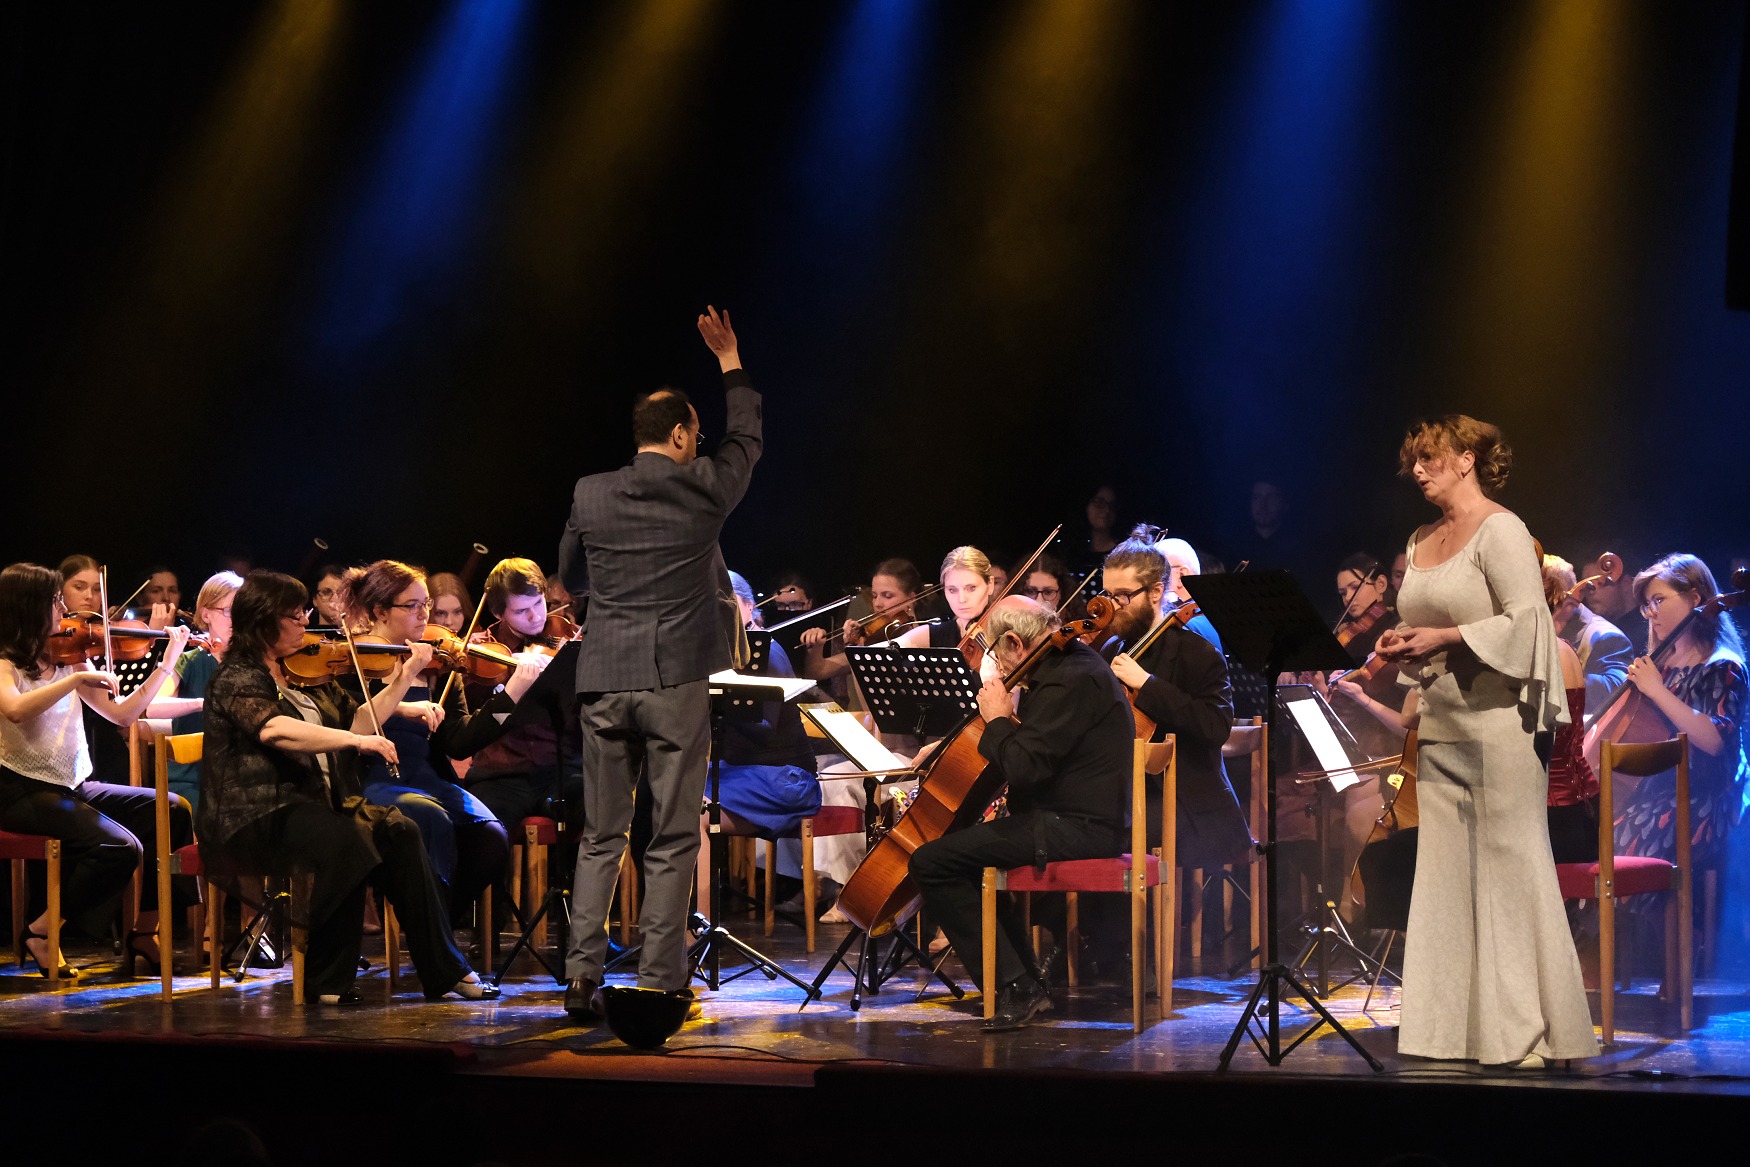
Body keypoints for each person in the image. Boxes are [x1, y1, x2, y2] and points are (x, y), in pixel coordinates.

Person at [556, 305, 758, 1021]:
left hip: (605, 676)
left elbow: (569, 578)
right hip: (674, 681)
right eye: (694, 434)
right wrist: (729, 362)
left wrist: (612, 600)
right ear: (679, 435)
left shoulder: (590, 491)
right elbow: (746, 440)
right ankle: (660, 979)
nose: (698, 443)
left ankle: (580, 978)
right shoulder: (702, 486)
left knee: (601, 834)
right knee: (671, 836)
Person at [1374, 414, 1596, 1068]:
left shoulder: (1502, 530)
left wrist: (1446, 637)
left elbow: (1528, 623)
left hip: (1500, 724)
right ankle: (1453, 1031)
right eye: (1414, 461)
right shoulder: (1420, 538)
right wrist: (1401, 641)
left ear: (1468, 457)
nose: (1419, 470)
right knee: (1445, 879)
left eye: (1431, 457)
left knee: (1508, 872)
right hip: (1442, 722)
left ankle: (1525, 1032)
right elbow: (1424, 617)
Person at [198, 570, 498, 1004]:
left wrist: (404, 678)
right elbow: (274, 730)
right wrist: (355, 742)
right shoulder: (236, 676)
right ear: (264, 620)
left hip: (312, 805)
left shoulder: (303, 673)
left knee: (400, 830)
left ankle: (444, 971)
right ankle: (327, 981)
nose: (306, 622)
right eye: (295, 615)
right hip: (255, 813)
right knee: (348, 839)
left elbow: (360, 720)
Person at [909, 597, 1134, 1030]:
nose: (995, 663)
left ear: (1014, 642)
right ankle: (1024, 980)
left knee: (931, 862)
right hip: (1064, 819)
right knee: (960, 857)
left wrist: (997, 718)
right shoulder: (1066, 668)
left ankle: (1017, 985)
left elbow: (1025, 768)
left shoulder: (1067, 681)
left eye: (994, 651)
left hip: (1078, 826)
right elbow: (1040, 749)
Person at [0, 562, 193, 977]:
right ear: (30, 606)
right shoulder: (5, 664)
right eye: (55, 600)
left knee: (172, 809)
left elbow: (122, 715)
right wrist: (71, 682)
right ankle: (42, 931)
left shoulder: (69, 657)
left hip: (71, 785)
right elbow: (14, 710)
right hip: (19, 790)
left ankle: (145, 931)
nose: (63, 608)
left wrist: (166, 663)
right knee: (119, 847)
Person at [339, 560, 538, 918]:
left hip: (428, 779)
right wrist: (404, 690)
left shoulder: (438, 665)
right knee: (433, 819)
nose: (424, 615)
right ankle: (431, 927)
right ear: (380, 611)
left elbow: (460, 742)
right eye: (412, 606)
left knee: (491, 836)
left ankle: (438, 919)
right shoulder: (350, 660)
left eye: (426, 604)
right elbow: (349, 722)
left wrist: (509, 697)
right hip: (369, 781)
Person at [1611, 554, 1748, 871]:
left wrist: (1656, 690)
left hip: (1705, 799)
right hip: (1657, 794)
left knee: (1629, 836)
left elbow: (1714, 740)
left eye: (1659, 600)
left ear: (1695, 598)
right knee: (1595, 828)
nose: (1651, 612)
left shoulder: (1723, 664)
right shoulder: (1660, 668)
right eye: (1647, 604)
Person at [459, 559, 584, 854]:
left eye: (539, 603)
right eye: (520, 611)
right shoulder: (480, 652)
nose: (535, 616)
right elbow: (469, 724)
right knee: (483, 838)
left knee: (603, 810)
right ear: (497, 613)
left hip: (562, 770)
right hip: (501, 776)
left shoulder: (568, 637)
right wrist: (508, 682)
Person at [147, 571, 243, 812]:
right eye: (229, 611)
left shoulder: (251, 663)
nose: (238, 619)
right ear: (206, 614)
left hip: (241, 779)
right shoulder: (189, 659)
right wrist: (202, 703)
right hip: (192, 780)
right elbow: (153, 706)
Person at [1542, 554, 1633, 722]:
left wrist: (1554, 673)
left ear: (1569, 603)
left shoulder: (1607, 637)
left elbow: (1615, 691)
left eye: (1545, 604)